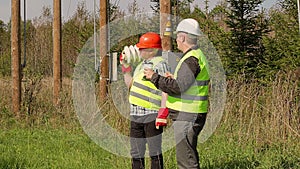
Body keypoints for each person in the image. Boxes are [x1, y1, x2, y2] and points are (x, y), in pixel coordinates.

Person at [143, 19, 210, 169]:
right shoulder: (194, 56)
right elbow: (185, 83)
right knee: (188, 155)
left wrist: (155, 77)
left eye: (178, 37)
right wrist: (173, 79)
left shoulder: (191, 59)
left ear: (183, 37)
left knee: (186, 162)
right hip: (190, 113)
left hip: (187, 115)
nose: (177, 41)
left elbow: (179, 87)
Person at [120, 32, 170, 169]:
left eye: (142, 48)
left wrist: (163, 112)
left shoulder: (160, 64)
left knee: (154, 152)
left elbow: (166, 88)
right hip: (136, 114)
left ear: (152, 50)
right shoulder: (141, 65)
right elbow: (130, 84)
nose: (139, 50)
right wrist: (126, 68)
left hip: (152, 114)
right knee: (136, 153)